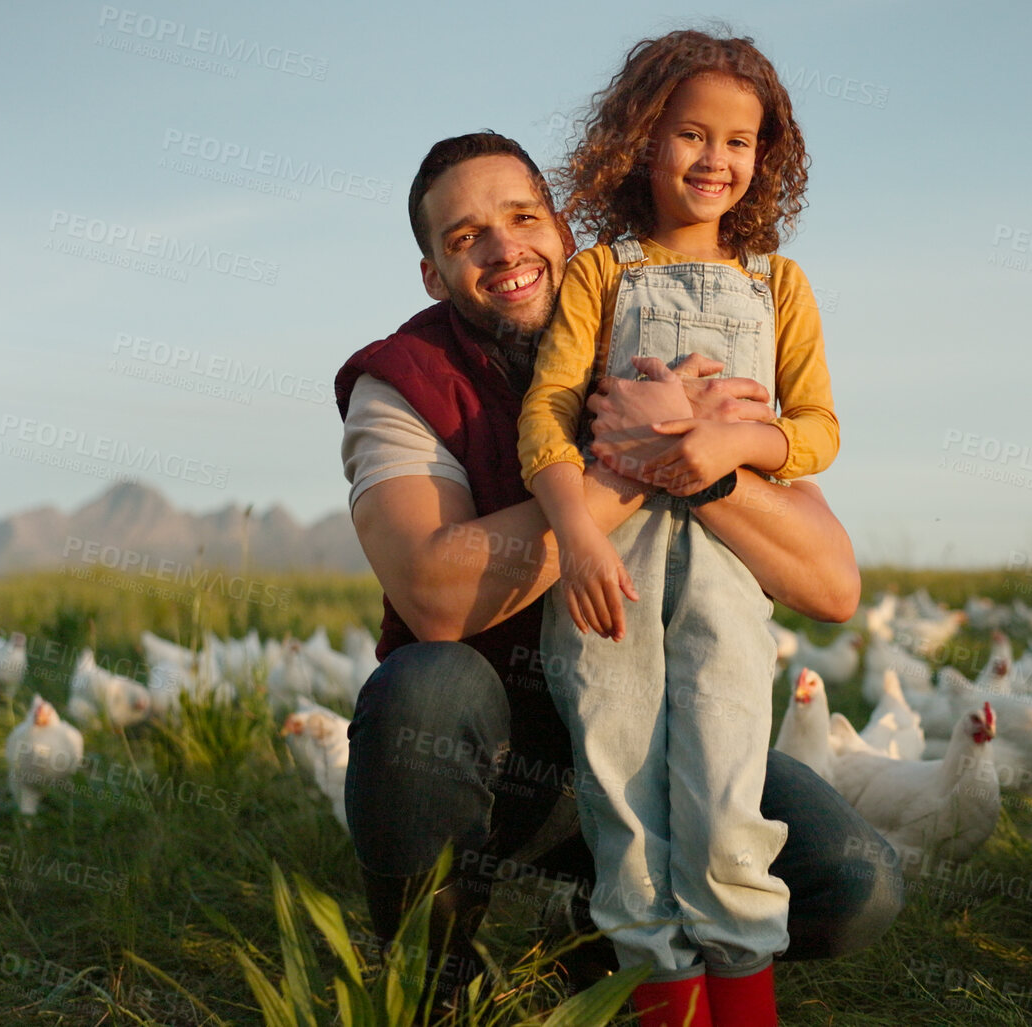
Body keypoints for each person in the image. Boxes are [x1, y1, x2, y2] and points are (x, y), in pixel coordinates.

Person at [333, 129, 899, 1013]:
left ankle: (592, 937)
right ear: (432, 276)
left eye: (523, 217)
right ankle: (434, 978)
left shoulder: (668, 335)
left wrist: (701, 453)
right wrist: (631, 459)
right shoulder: (404, 383)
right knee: (425, 687)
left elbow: (830, 585)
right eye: (462, 238)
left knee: (856, 882)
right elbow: (435, 595)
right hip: (498, 751)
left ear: (563, 230)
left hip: (669, 724)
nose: (503, 249)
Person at [515, 29, 835, 1026]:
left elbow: (819, 429)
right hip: (611, 569)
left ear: (764, 157)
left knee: (726, 797)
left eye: (740, 142)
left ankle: (741, 990)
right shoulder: (600, 277)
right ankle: (654, 984)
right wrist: (577, 530)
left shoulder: (777, 285)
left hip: (729, 571)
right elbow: (547, 416)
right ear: (642, 140)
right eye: (691, 134)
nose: (714, 160)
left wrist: (735, 447)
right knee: (622, 796)